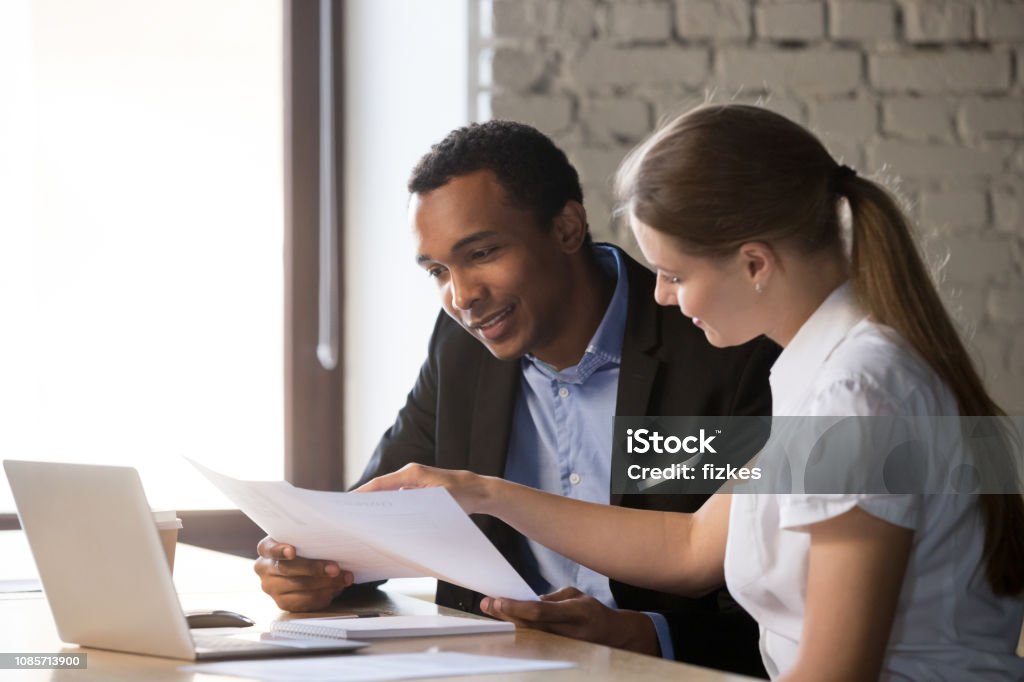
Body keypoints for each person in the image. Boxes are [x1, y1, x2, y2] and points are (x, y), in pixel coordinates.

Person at [359, 105, 1024, 681]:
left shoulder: (854, 393)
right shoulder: (821, 371)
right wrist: (485, 494)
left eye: (675, 274)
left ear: (755, 264)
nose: (661, 295)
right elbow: (692, 547)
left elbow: (832, 673)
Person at [253, 120, 779, 676]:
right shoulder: (459, 349)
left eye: (480, 253)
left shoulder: (725, 349)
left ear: (568, 228)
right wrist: (315, 567)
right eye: (437, 271)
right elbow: (379, 512)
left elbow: (774, 600)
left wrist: (649, 634)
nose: (461, 297)